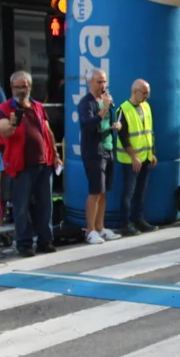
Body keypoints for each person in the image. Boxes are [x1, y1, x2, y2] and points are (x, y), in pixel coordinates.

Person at [0, 71, 60, 257]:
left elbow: (47, 131)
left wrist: (55, 154)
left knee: (45, 205)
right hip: (21, 165)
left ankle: (45, 241)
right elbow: (4, 132)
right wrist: (13, 124)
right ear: (11, 88)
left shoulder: (37, 106)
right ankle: (24, 244)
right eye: (16, 87)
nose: (20, 91)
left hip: (43, 162)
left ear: (30, 87)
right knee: (21, 206)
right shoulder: (5, 108)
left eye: (23, 87)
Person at [78, 68, 122, 244]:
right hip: (93, 152)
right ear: (90, 83)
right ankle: (90, 230)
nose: (102, 85)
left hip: (108, 149)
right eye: (99, 82)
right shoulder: (86, 103)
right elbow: (89, 124)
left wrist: (116, 125)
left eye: (104, 81)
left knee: (104, 191)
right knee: (95, 191)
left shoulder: (106, 100)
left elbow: (109, 121)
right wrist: (103, 108)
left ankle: (100, 227)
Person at [115, 79, 158, 236]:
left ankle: (138, 219)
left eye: (148, 93)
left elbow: (149, 132)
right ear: (135, 92)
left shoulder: (146, 106)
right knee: (128, 192)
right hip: (130, 160)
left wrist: (152, 153)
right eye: (144, 93)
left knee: (141, 191)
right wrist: (133, 157)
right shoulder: (123, 109)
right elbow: (123, 137)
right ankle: (125, 224)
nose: (147, 96)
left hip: (145, 157)